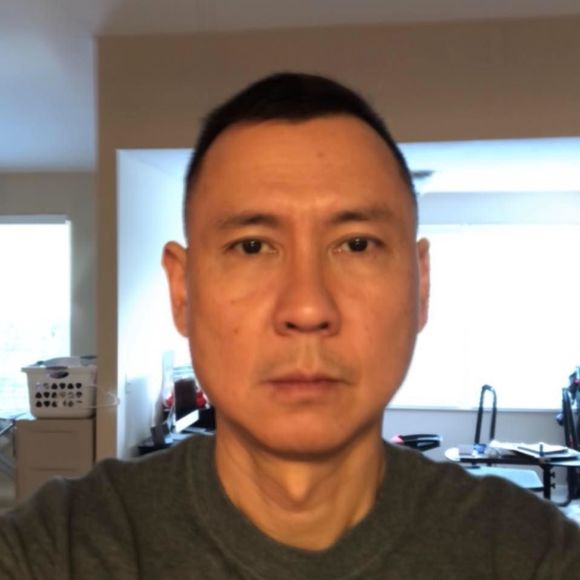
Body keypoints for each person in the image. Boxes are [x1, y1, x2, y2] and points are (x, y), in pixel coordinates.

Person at [1, 72, 579, 579]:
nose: (306, 307)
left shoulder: (533, 554)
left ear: (420, 286)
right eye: (252, 246)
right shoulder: (59, 548)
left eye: (356, 244)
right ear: (183, 292)